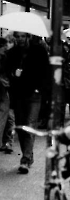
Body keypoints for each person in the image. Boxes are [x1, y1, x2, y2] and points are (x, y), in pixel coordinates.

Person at [7, 31, 50, 174]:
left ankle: (25, 159)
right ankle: (28, 155)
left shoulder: (39, 51)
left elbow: (45, 72)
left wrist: (40, 89)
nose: (20, 39)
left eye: (22, 36)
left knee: (30, 124)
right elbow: (7, 72)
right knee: (20, 126)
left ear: (28, 37)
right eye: (17, 36)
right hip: (19, 95)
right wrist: (13, 73)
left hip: (34, 94)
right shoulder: (12, 53)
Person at [0, 37, 12, 154]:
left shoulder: (6, 57)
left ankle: (7, 141)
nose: (6, 47)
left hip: (5, 89)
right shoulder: (5, 57)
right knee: (6, 115)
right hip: (4, 89)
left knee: (7, 116)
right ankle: (7, 141)